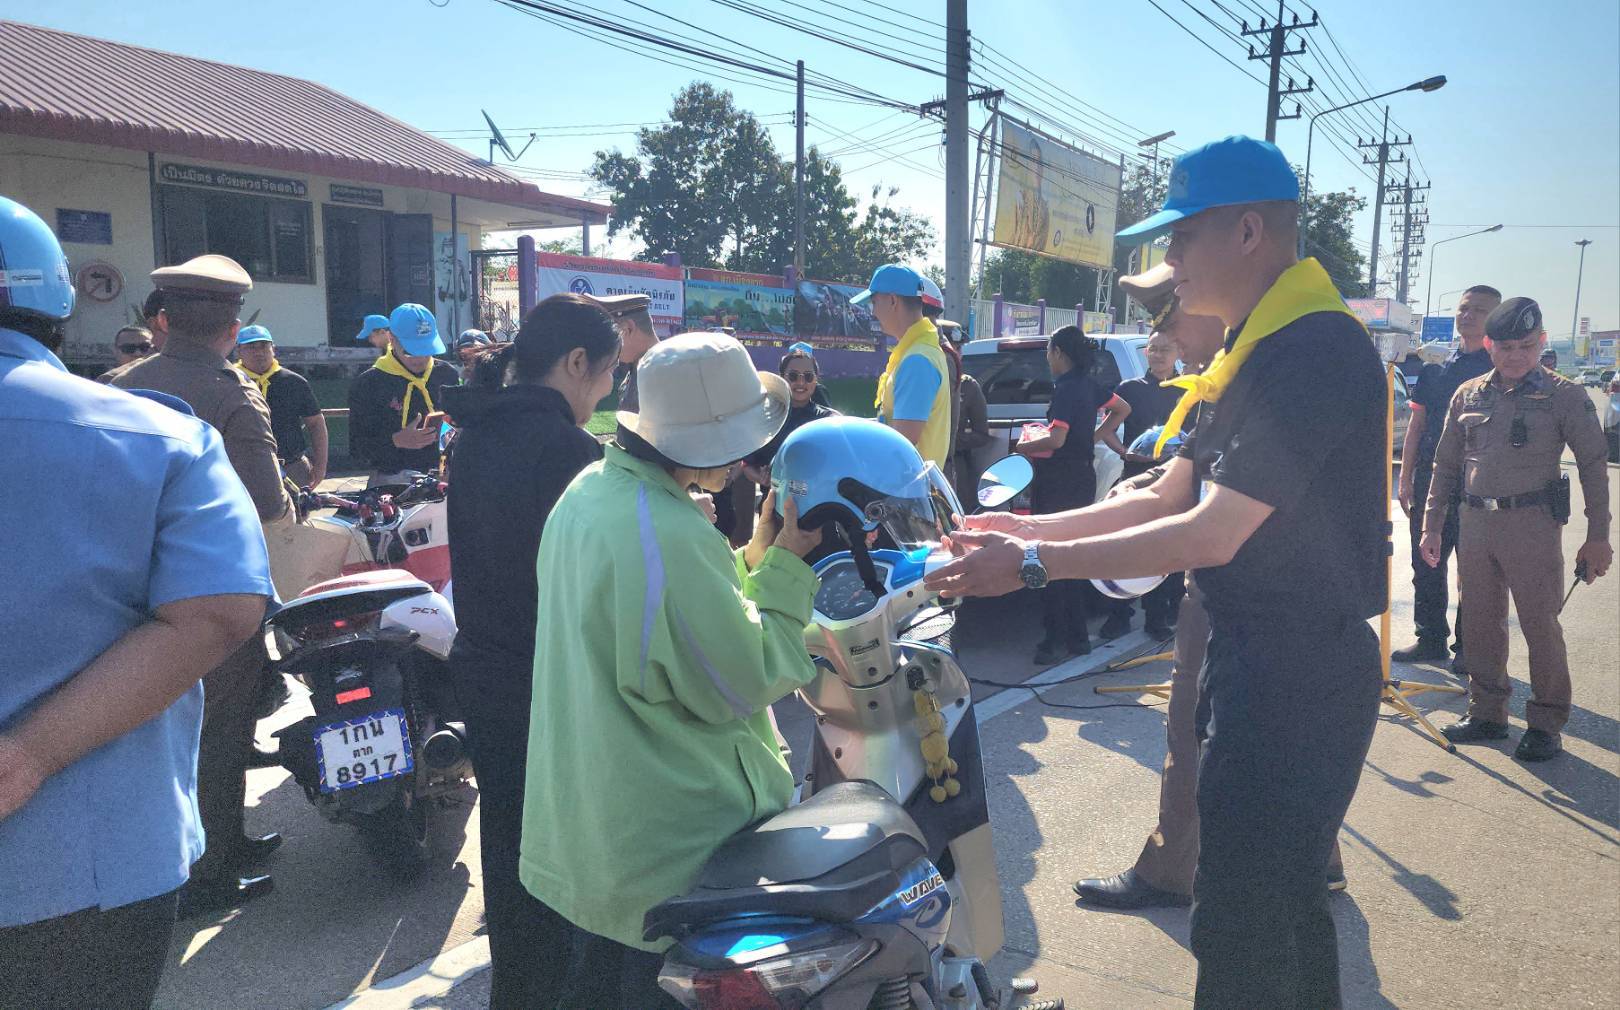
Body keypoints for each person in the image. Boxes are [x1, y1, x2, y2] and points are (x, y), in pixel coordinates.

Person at [927, 136, 1387, 1008]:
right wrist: (1024, 524)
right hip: (1254, 662)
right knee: (1272, 919)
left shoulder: (1315, 350)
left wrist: (1032, 565)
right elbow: (1166, 492)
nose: (1170, 261)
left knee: (1250, 928)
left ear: (1248, 231)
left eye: (1182, 236)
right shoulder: (1255, 348)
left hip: (1300, 674)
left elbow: (1210, 532)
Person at [0, 195, 272, 1009]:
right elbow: (224, 606)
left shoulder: (133, 384)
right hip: (89, 866)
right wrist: (29, 755)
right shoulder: (164, 430)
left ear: (159, 318)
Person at [519, 332, 820, 1007]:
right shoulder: (668, 530)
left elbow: (667, 617)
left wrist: (756, 552)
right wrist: (790, 566)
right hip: (669, 846)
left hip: (595, 829)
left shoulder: (591, 492)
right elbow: (746, 677)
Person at [1071, 264, 1349, 910]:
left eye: (1169, 320)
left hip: (1262, 594)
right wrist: (1034, 535)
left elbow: (1212, 522)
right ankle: (1301, 862)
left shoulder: (1277, 372)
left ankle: (1204, 873)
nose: (1163, 340)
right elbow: (1180, 483)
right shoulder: (1232, 376)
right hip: (1241, 589)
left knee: (1224, 734)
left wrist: (1037, 560)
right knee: (1252, 737)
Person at [441, 294, 620, 1009]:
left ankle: (516, 992)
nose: (609, 389)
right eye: (609, 371)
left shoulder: (475, 434)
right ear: (576, 363)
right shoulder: (570, 452)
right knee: (562, 861)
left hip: (485, 672)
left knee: (508, 846)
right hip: (549, 684)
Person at [108, 253, 292, 918]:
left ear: (162, 320)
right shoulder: (232, 391)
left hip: (127, 590)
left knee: (145, 727)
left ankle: (210, 849)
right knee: (218, 733)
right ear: (232, 329)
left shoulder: (117, 386)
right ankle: (208, 871)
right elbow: (268, 501)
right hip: (211, 595)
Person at [1426, 297, 1612, 761]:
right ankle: (1488, 713)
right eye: (1506, 347)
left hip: (1531, 526)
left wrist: (1599, 536)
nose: (1516, 356)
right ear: (1489, 345)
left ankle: (1546, 723)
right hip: (1475, 524)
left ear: (1542, 342)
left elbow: (1593, 466)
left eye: (1526, 346)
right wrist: (1432, 525)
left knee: (1539, 624)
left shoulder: (1564, 396)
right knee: (1480, 623)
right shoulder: (1469, 394)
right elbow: (1445, 465)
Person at [1394, 284, 1501, 672]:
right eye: (1464, 308)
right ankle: (1430, 638)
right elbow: (1416, 426)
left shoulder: (1499, 372)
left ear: (1495, 319)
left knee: (1473, 568)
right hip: (1430, 479)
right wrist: (1406, 478)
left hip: (1477, 483)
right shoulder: (1435, 368)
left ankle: (1468, 647)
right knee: (1426, 562)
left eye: (1479, 310)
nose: (1467, 315)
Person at [1013, 325, 1130, 664]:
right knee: (1074, 555)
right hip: (1082, 478)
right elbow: (1123, 408)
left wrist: (1023, 446)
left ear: (1059, 353)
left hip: (1057, 481)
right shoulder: (1090, 385)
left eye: (1049, 352)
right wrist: (1093, 437)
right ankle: (1078, 638)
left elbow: (1056, 439)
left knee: (1047, 556)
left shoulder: (1065, 388)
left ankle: (1053, 640)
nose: (1048, 359)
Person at [855, 264, 953, 469]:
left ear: (892, 300)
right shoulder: (919, 351)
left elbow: (902, 443)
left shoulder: (917, 360)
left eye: (874, 302)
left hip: (907, 485)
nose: (873, 312)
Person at [347, 303, 457, 484]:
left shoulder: (447, 375)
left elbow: (453, 432)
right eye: (410, 350)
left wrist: (445, 467)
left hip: (442, 478)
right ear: (391, 338)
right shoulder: (368, 383)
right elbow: (357, 450)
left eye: (426, 349)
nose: (420, 358)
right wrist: (395, 441)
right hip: (390, 482)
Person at [234, 324, 328, 488]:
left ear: (273, 349)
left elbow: (316, 423)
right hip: (243, 469)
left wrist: (320, 466)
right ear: (239, 351)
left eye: (264, 346)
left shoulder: (294, 382)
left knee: (299, 505)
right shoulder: (228, 381)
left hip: (292, 466)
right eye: (251, 347)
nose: (259, 352)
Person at [740, 346, 839, 488]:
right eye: (793, 376)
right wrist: (762, 478)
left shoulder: (828, 419)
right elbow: (747, 464)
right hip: (774, 498)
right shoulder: (768, 418)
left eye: (808, 376)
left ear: (815, 380)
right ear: (782, 377)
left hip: (817, 499)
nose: (800, 382)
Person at [591, 292, 658, 412]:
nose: (608, 345)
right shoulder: (640, 366)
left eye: (612, 336)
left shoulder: (663, 372)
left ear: (628, 329)